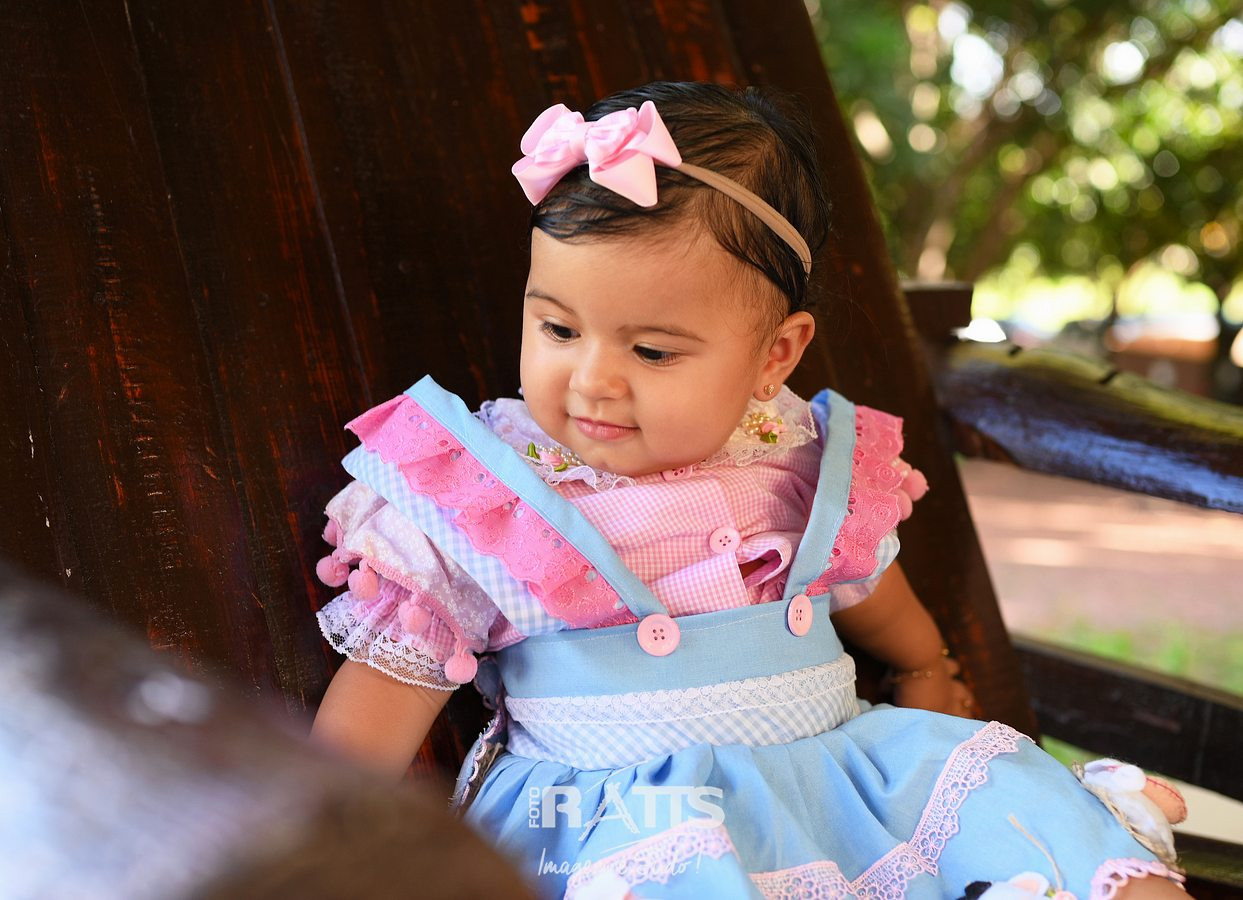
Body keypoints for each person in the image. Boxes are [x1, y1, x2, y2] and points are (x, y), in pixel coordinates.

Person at [308, 82, 1189, 899]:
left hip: (838, 782)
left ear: (775, 356)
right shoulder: (485, 492)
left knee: (1045, 830)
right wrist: (319, 839)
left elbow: (867, 586)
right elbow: (393, 683)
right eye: (557, 327)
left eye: (652, 350)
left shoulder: (792, 451)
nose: (591, 380)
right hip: (620, 820)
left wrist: (923, 665)